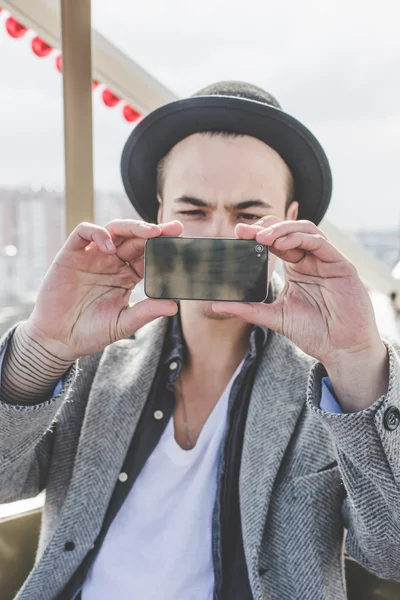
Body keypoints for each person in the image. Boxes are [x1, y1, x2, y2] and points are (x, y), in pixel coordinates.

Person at [0, 81, 399, 600]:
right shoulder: (92, 361)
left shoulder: (334, 389)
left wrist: (356, 365)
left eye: (249, 216)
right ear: (159, 212)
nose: (216, 234)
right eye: (193, 211)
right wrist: (42, 351)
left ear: (291, 221)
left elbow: (392, 551)